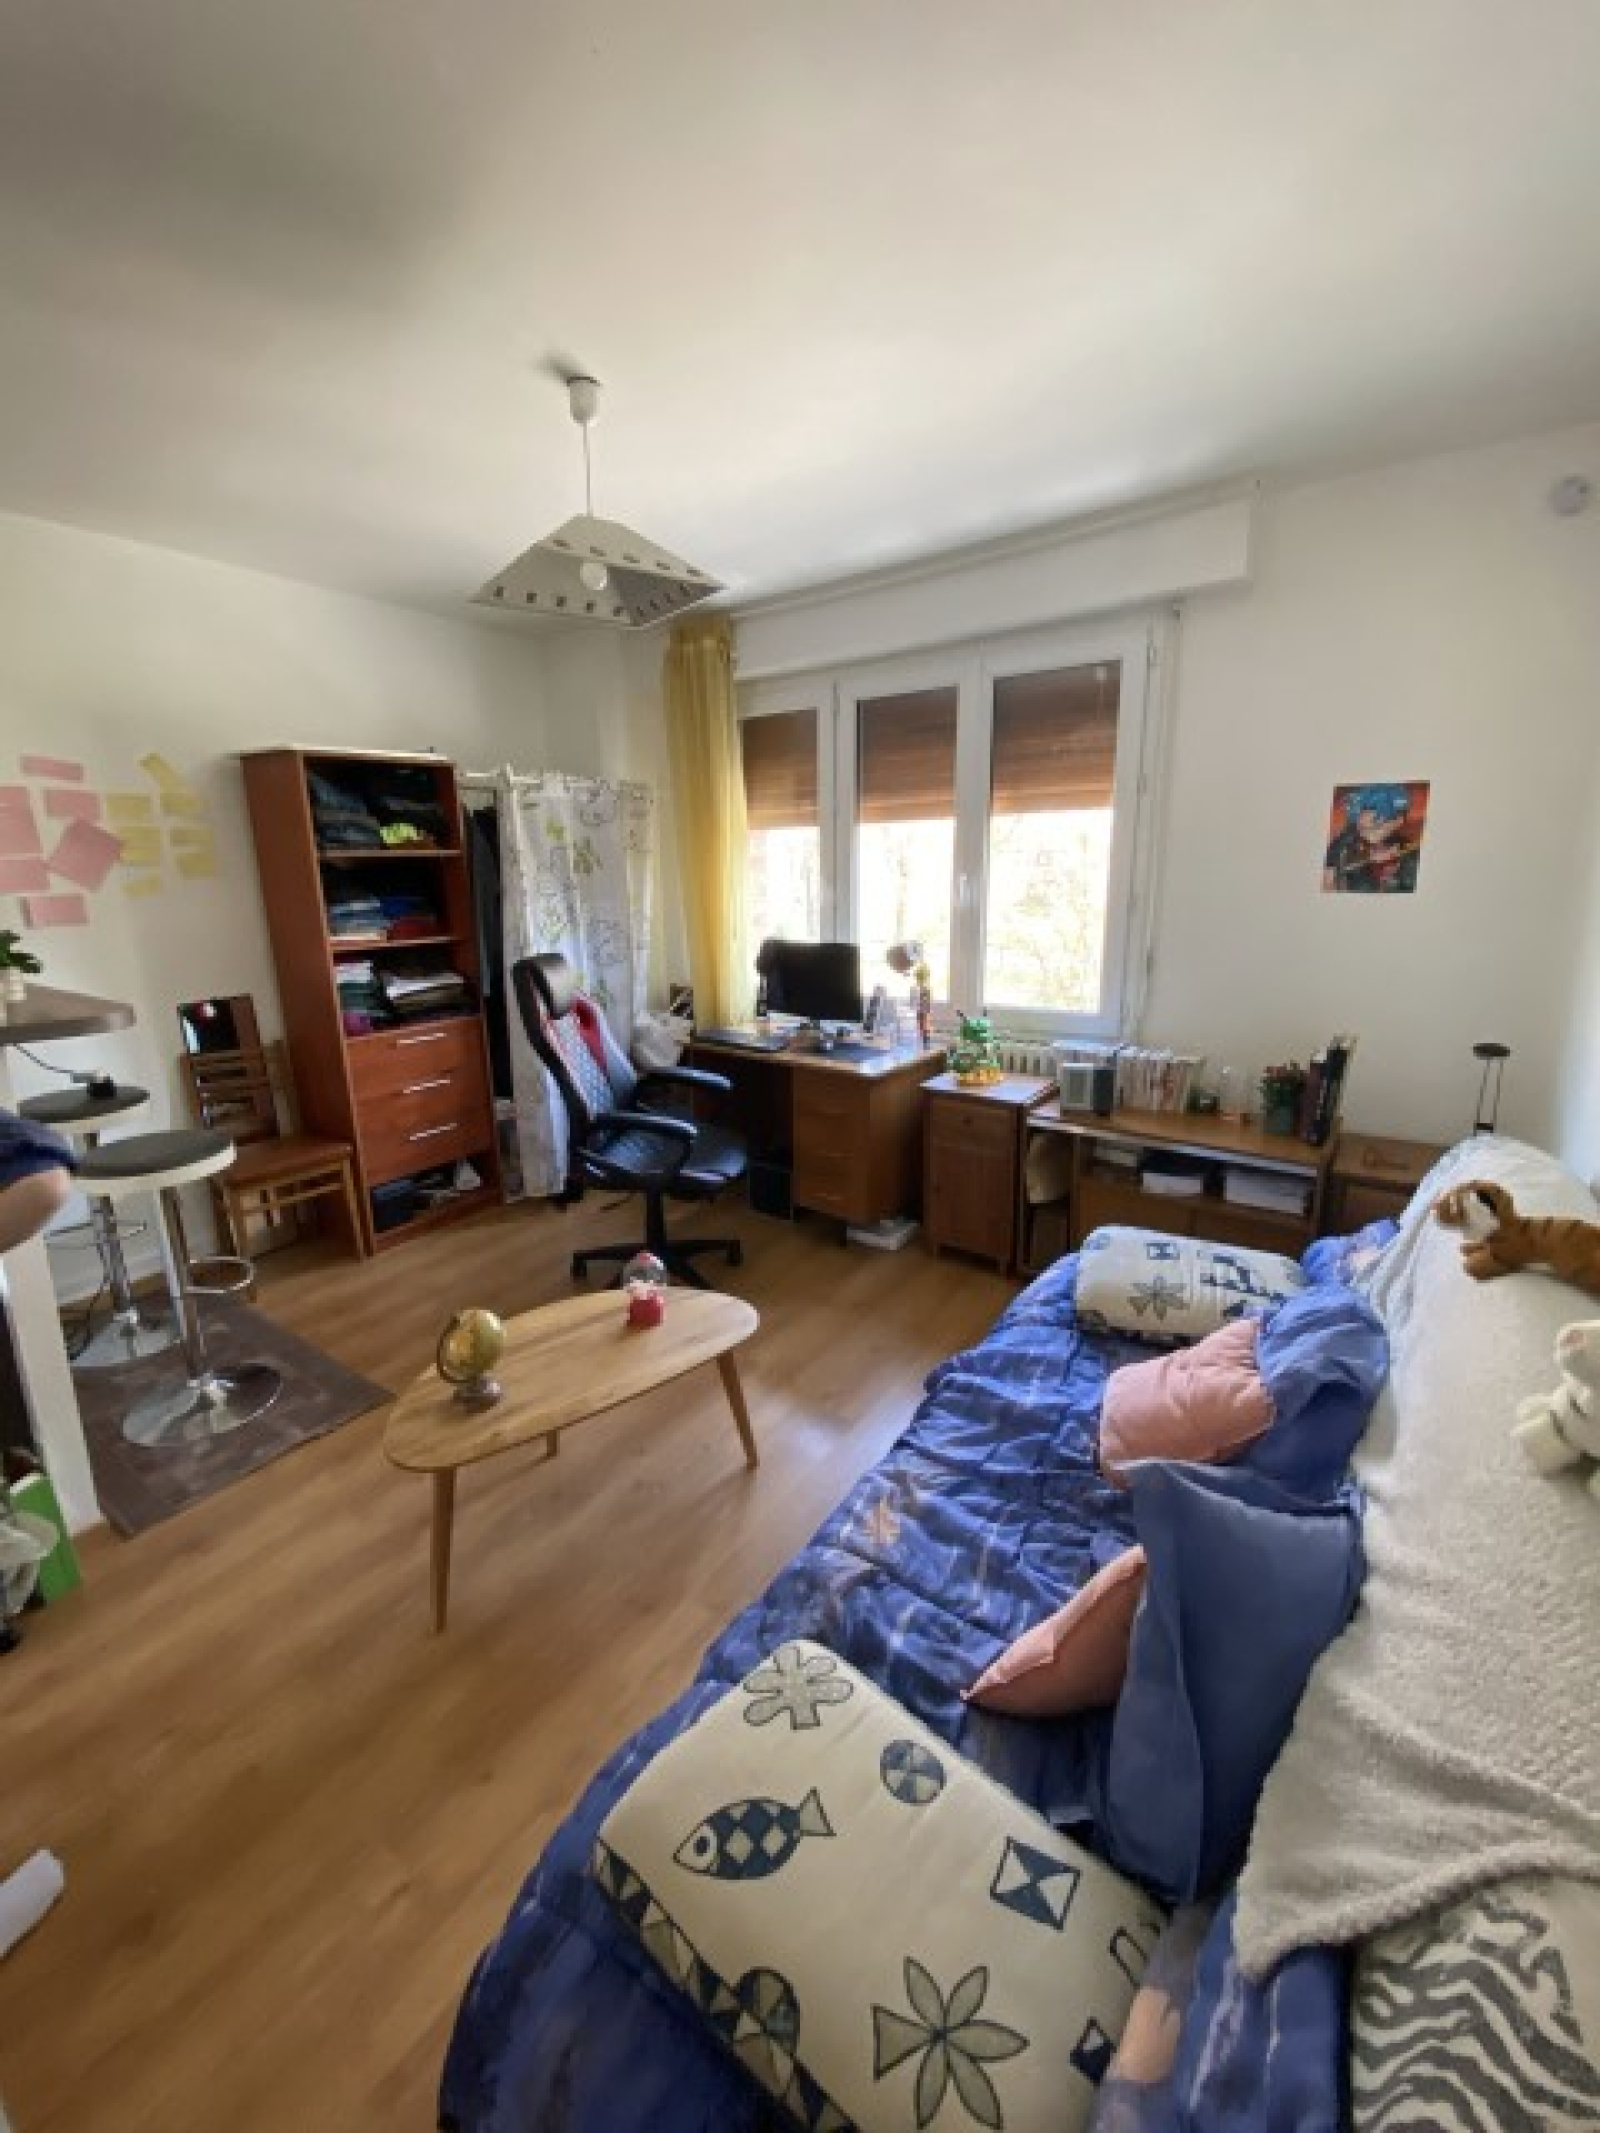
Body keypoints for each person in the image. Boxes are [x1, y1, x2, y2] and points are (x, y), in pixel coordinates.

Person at [1322, 783, 1422, 894]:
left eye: (1377, 823)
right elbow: (1333, 861)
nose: (1363, 826)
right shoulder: (1347, 839)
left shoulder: (1409, 849)